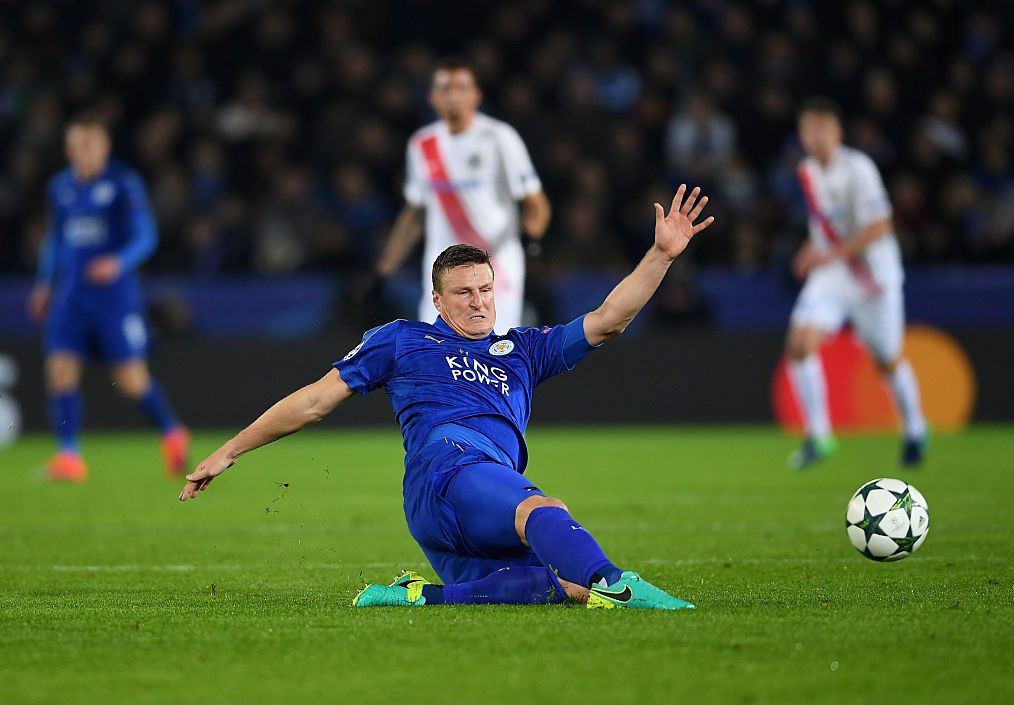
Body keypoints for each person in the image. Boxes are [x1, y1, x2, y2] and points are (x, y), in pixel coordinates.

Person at [180, 184, 714, 610]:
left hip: (464, 502)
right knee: (545, 511)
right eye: (463, 292)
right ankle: (621, 585)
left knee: (557, 588)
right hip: (447, 472)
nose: (479, 302)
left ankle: (414, 597)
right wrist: (231, 449)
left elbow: (608, 322)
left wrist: (661, 256)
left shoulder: (523, 350)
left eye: (485, 289)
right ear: (437, 299)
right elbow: (316, 400)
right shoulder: (402, 339)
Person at [26, 113, 189, 482]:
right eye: (76, 146)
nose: (83, 152)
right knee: (60, 371)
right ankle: (69, 456)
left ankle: (172, 433)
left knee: (131, 380)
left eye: (90, 145)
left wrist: (118, 262)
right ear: (68, 150)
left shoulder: (122, 184)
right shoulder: (60, 187)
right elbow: (56, 239)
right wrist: (43, 283)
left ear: (105, 147)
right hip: (71, 296)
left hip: (114, 299)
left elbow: (146, 235)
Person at [785, 97, 927, 470]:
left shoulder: (859, 168)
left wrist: (828, 255)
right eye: (809, 130)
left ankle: (915, 429)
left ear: (837, 133)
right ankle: (819, 437)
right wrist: (808, 251)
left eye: (822, 130)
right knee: (799, 344)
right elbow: (825, 226)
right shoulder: (807, 170)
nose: (815, 138)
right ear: (801, 135)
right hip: (834, 274)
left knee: (887, 360)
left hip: (873, 279)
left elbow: (880, 226)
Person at [373, 59, 550, 335]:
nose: (453, 95)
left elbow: (535, 201)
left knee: (494, 356)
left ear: (476, 96)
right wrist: (384, 269)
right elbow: (414, 214)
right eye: (445, 89)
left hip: (494, 271)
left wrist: (531, 239)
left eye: (461, 87)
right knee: (436, 357)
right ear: (433, 98)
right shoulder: (422, 144)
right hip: (442, 275)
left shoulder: (499, 138)